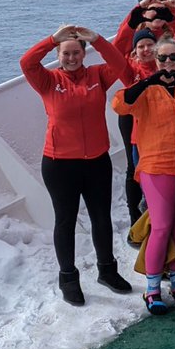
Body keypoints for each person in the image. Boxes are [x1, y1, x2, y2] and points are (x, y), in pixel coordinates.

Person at [20, 25, 134, 306]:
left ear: (85, 54)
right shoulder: (47, 81)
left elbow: (121, 64)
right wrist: (52, 40)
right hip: (60, 164)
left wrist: (97, 40)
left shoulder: (97, 75)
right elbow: (26, 62)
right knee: (66, 221)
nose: (71, 57)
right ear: (58, 55)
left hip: (96, 161)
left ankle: (107, 271)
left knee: (101, 218)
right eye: (65, 53)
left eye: (76, 52)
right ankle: (68, 278)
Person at [112, 38, 175, 314]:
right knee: (162, 226)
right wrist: (149, 81)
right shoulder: (145, 90)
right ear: (154, 60)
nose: (168, 63)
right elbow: (120, 104)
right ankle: (152, 290)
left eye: (173, 58)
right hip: (156, 165)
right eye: (162, 58)